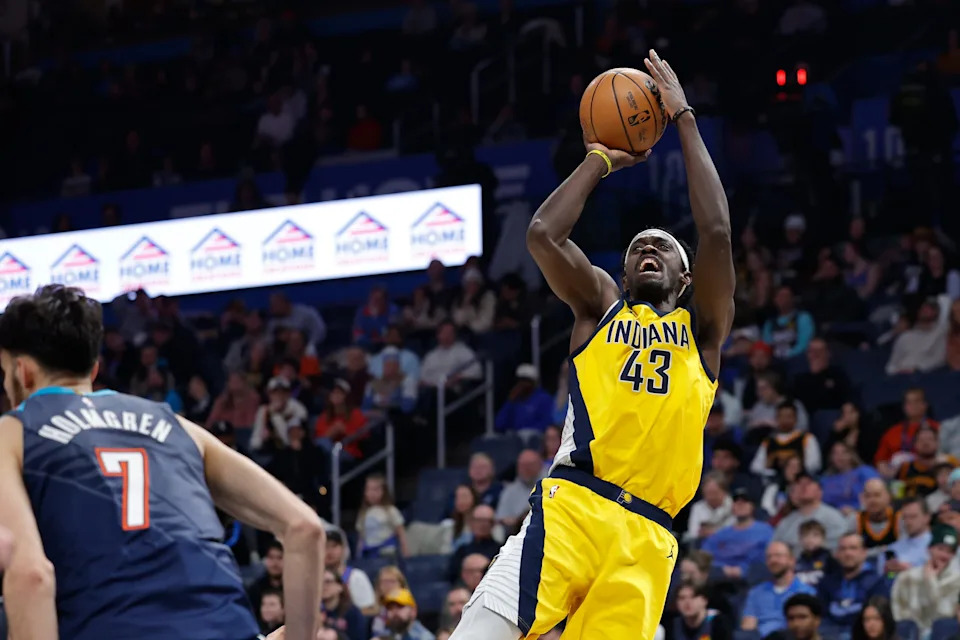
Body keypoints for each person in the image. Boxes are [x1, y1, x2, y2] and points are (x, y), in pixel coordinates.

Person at [454, 51, 735, 640]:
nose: (649, 249)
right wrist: (600, 159)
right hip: (571, 509)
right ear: (626, 273)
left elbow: (714, 232)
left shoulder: (703, 333)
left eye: (662, 247)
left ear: (685, 281)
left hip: (648, 538)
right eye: (637, 248)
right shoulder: (600, 307)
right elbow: (542, 234)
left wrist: (683, 117)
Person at [0, 285, 324, 640]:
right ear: (94, 370)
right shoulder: (176, 425)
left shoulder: (13, 432)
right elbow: (305, 528)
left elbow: (32, 575)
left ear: (22, 371)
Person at [891, 525, 960, 635]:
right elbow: (897, 611)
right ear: (929, 549)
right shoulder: (907, 577)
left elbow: (944, 614)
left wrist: (931, 581)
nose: (944, 555)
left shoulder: (956, 580)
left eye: (950, 552)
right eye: (940, 549)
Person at [741, 542, 816, 637]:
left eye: (778, 555)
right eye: (769, 557)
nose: (773, 560)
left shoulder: (807, 593)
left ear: (792, 560)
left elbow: (806, 630)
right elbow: (748, 627)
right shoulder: (756, 593)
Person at [701, 488, 773, 580]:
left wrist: (743, 570)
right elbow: (704, 555)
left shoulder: (765, 531)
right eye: (736, 501)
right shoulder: (722, 533)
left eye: (744, 501)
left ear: (752, 506)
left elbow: (767, 558)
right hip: (718, 577)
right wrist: (723, 569)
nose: (740, 505)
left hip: (751, 578)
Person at [817, 534, 888, 628]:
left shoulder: (877, 583)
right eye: (843, 549)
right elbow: (821, 617)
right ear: (837, 554)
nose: (848, 553)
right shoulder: (826, 583)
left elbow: (878, 620)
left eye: (853, 548)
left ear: (864, 553)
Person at [774, 473, 850, 552]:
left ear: (820, 491)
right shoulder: (786, 522)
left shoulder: (834, 518)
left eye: (808, 483)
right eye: (799, 483)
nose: (803, 486)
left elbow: (841, 548)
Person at [874, 389, 941, 475]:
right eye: (909, 403)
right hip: (898, 478)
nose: (912, 406)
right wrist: (890, 476)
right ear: (904, 407)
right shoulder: (892, 432)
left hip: (932, 473)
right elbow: (880, 461)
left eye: (916, 401)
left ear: (925, 405)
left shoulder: (938, 428)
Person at [750, 401, 822, 476]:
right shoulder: (768, 441)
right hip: (773, 480)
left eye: (789, 417)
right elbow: (755, 467)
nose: (785, 420)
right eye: (781, 416)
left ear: (796, 419)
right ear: (776, 418)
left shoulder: (807, 438)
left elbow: (814, 465)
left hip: (799, 480)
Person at [324, 529, 378, 616]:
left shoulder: (357, 577)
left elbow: (370, 609)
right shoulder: (314, 579)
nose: (330, 551)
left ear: (343, 549)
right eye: (325, 546)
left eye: (334, 546)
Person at [356, 474, 408, 558]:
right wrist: (359, 555)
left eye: (375, 489)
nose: (372, 493)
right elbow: (361, 537)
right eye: (368, 489)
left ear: (384, 491)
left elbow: (401, 533)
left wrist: (405, 552)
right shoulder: (363, 513)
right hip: (369, 554)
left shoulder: (390, 510)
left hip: (387, 552)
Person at [821, 441, 880, 514]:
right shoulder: (826, 480)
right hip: (832, 516)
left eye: (844, 452)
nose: (839, 456)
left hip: (862, 513)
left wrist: (856, 510)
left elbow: (877, 494)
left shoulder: (864, 471)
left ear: (851, 455)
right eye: (835, 453)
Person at [495, 449, 545, 532]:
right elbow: (500, 519)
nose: (526, 469)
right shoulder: (509, 490)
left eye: (530, 465)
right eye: (522, 465)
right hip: (517, 532)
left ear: (540, 465)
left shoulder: (550, 484)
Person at [886, 498, 933, 573]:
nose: (908, 522)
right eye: (904, 517)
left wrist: (910, 570)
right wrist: (890, 573)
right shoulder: (892, 549)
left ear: (927, 517)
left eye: (913, 516)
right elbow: (889, 577)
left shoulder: (940, 546)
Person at [320, 569, 366, 640]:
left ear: (340, 587)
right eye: (320, 583)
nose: (323, 586)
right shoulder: (315, 612)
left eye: (328, 582)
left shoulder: (352, 612)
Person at [856, 479, 900, 553]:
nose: (872, 500)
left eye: (877, 495)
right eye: (868, 496)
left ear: (888, 497)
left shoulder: (899, 518)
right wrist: (881, 550)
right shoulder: (856, 519)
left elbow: (905, 549)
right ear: (862, 498)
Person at [796, 520, 839, 589]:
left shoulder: (830, 560)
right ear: (800, 539)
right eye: (805, 535)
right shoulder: (796, 562)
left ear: (823, 539)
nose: (810, 539)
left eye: (815, 535)